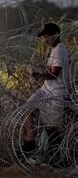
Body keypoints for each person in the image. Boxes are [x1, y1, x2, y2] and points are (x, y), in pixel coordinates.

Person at [21, 23, 70, 153]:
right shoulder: (53, 50)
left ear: (56, 35)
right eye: (44, 37)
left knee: (54, 127)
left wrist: (38, 75)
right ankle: (30, 141)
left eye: (47, 37)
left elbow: (54, 74)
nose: (45, 40)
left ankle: (62, 152)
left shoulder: (60, 49)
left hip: (56, 92)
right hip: (46, 89)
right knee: (27, 107)